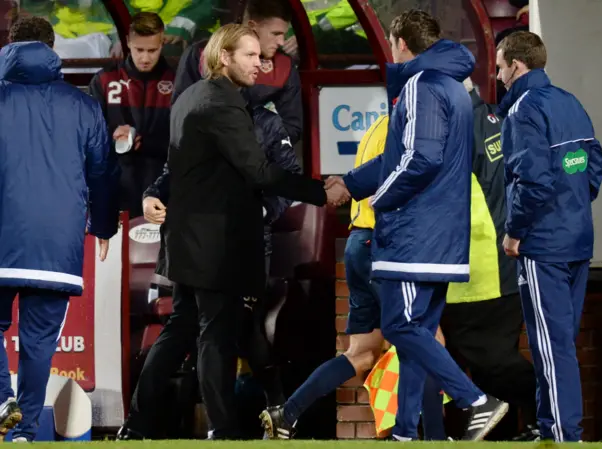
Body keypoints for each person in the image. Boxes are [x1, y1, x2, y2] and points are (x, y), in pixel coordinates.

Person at [124, 23, 346, 440]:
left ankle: (136, 424)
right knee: (217, 336)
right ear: (223, 56)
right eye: (250, 56)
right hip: (217, 243)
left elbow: (180, 168)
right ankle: (223, 431)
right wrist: (321, 192)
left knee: (181, 331)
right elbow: (257, 170)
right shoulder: (224, 104)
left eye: (260, 57)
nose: (261, 65)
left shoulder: (191, 96)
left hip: (190, 240)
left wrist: (153, 194)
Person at [320, 9, 509, 441]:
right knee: (417, 335)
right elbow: (396, 158)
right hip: (441, 235)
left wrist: (381, 202)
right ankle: (407, 432)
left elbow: (418, 160)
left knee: (402, 327)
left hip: (414, 236)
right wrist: (350, 184)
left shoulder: (421, 85)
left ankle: (477, 400)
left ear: (399, 42)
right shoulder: (453, 86)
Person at [260, 113, 448, 441]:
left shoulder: (380, 123)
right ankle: (434, 437)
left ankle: (286, 414)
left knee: (362, 352)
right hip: (384, 245)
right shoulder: (413, 127)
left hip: (359, 243)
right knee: (430, 342)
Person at [119, 106, 301, 440]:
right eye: (248, 56)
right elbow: (172, 173)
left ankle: (270, 415)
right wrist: (151, 196)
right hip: (198, 241)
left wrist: (261, 211)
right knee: (200, 327)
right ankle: (257, 419)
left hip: (239, 243)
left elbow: (288, 175)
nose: (256, 64)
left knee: (233, 325)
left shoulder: (264, 121)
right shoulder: (196, 116)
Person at [0, 17, 119, 442]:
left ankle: (1, 400)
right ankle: (24, 431)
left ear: (10, 45)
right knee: (38, 343)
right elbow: (104, 173)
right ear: (53, 49)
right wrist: (104, 227)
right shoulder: (83, 105)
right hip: (58, 245)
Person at [496, 31, 602, 443]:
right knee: (558, 341)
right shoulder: (568, 102)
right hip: (577, 239)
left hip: (543, 244)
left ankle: (562, 433)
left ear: (517, 66)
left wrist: (514, 232)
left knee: (551, 346)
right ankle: (550, 427)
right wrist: (576, 201)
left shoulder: (523, 110)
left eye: (501, 66)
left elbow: (534, 181)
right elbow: (590, 160)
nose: (499, 75)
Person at [437, 78, 538, 441]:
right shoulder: (496, 119)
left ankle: (546, 404)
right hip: (501, 263)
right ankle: (527, 423)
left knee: (486, 358)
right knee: (488, 361)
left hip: (478, 271)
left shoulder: (458, 131)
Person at [171, 0, 302, 143]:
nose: (281, 42)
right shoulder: (200, 55)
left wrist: (249, 142)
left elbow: (292, 128)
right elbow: (180, 115)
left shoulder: (284, 67)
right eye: (275, 34)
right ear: (252, 27)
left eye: (283, 34)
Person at [88, 12, 175, 219]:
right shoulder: (104, 80)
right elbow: (88, 137)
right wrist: (112, 134)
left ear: (163, 41)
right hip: (115, 188)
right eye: (139, 49)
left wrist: (142, 141)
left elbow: (185, 142)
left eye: (152, 50)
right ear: (128, 42)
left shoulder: (177, 80)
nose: (145, 58)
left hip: (162, 190)